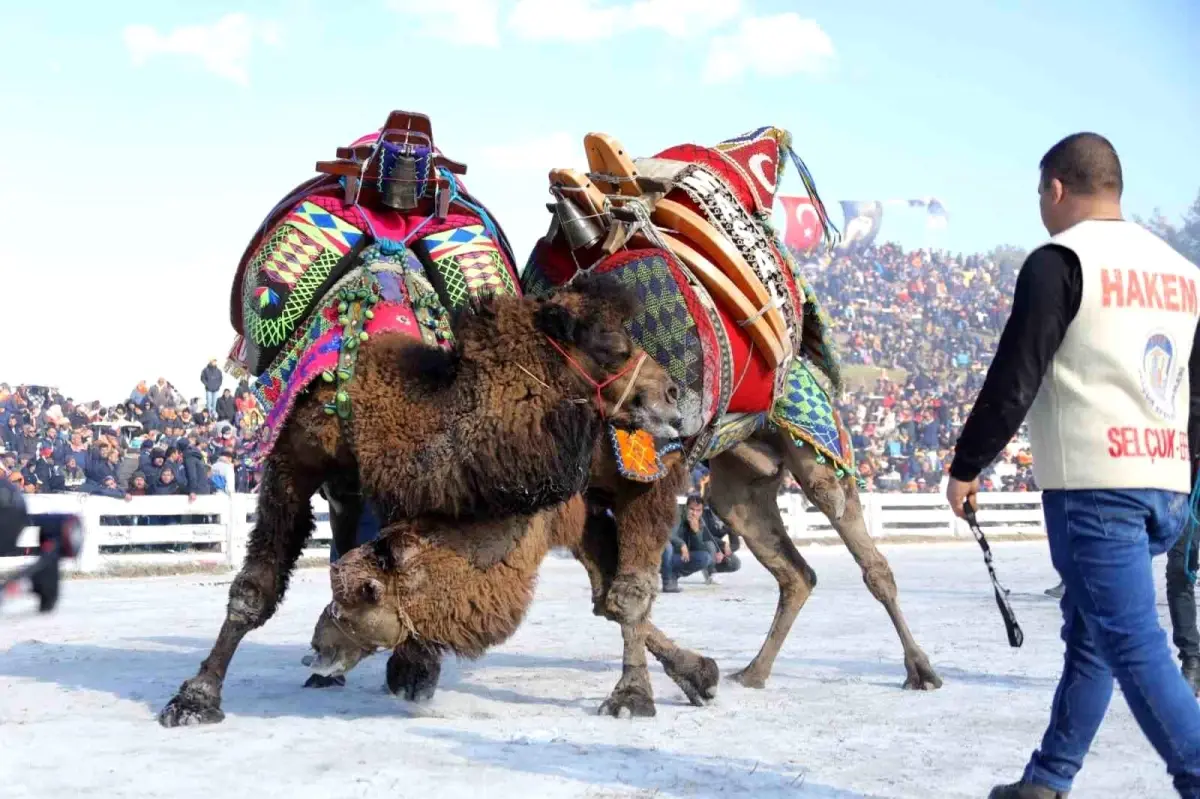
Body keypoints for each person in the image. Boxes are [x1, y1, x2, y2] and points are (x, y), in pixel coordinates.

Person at [945, 132, 1200, 798]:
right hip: (1165, 481)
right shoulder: (1182, 271)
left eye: (1039, 193)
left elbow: (1015, 374)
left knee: (1133, 645)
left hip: (1096, 484)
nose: (1040, 206)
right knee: (1092, 635)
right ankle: (1047, 778)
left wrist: (968, 463)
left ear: (1056, 188)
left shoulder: (1059, 260)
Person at [661, 495, 717, 593]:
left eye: (698, 510)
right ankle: (667, 581)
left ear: (702, 511)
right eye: (691, 509)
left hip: (679, 558)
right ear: (686, 507)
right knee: (667, 545)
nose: (694, 513)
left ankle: (674, 575)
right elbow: (668, 534)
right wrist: (682, 544)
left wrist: (696, 532)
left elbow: (699, 548)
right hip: (664, 557)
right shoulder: (677, 513)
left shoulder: (700, 522)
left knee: (705, 557)